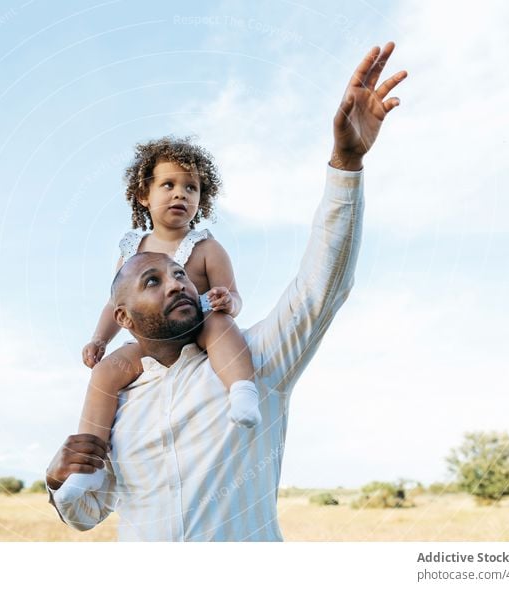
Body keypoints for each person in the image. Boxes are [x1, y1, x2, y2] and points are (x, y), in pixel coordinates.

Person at [46, 42, 407, 540]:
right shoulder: (120, 396)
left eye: (179, 275)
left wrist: (345, 164)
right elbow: (86, 514)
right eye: (153, 279)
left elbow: (322, 284)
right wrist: (60, 481)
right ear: (124, 316)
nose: (177, 280)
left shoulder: (258, 362)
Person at [56, 138, 264, 504]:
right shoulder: (131, 250)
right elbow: (116, 303)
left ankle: (242, 392)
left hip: (198, 328)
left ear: (202, 199)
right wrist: (100, 338)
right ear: (143, 195)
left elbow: (234, 295)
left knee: (220, 325)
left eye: (191, 188)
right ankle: (89, 467)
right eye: (168, 185)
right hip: (153, 337)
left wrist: (226, 301)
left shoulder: (206, 247)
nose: (180, 194)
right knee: (106, 372)